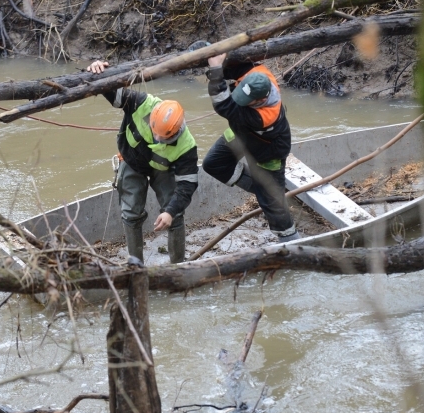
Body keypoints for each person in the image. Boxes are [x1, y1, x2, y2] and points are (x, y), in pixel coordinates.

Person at [87, 60, 199, 264]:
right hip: (132, 160)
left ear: (176, 132)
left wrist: (170, 212)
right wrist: (100, 71)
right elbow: (113, 93)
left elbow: (187, 185)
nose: (157, 140)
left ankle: (179, 266)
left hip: (163, 169)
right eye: (155, 134)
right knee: (130, 213)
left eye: (163, 138)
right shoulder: (141, 103)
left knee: (174, 213)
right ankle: (135, 265)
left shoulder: (187, 147)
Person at [202, 53, 299, 242]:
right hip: (241, 134)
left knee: (273, 202)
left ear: (258, 101)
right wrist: (212, 60)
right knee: (214, 163)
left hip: (268, 150)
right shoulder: (260, 75)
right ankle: (265, 191)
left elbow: (223, 105)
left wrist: (215, 73)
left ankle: (291, 239)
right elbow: (238, 67)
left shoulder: (262, 117)